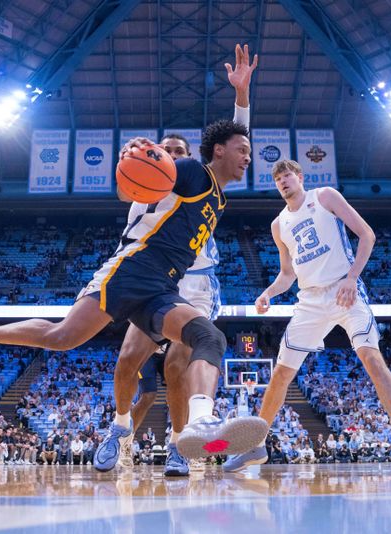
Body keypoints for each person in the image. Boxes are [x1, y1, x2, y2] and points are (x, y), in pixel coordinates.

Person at [0, 118, 265, 465]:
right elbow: (142, 180)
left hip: (163, 287)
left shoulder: (218, 199)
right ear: (218, 151)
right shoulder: (191, 172)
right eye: (243, 150)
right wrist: (140, 154)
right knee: (63, 336)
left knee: (210, 338)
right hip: (132, 270)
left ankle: (201, 421)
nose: (249, 157)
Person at [223, 159, 391, 473]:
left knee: (371, 358)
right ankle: (256, 446)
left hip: (345, 289)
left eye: (287, 175)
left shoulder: (325, 196)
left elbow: (367, 235)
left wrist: (351, 278)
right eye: (278, 179)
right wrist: (267, 293)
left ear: (300, 177)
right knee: (280, 374)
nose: (283, 182)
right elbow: (287, 274)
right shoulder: (279, 225)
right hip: (310, 301)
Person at [111, 43, 257, 477]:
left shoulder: (200, 181)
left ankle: (181, 445)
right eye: (165, 151)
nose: (173, 156)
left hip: (195, 285)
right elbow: (124, 190)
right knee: (126, 362)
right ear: (154, 159)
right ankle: (119, 434)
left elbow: (234, 145)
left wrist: (242, 95)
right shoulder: (144, 193)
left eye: (180, 151)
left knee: (177, 364)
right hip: (153, 281)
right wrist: (129, 158)